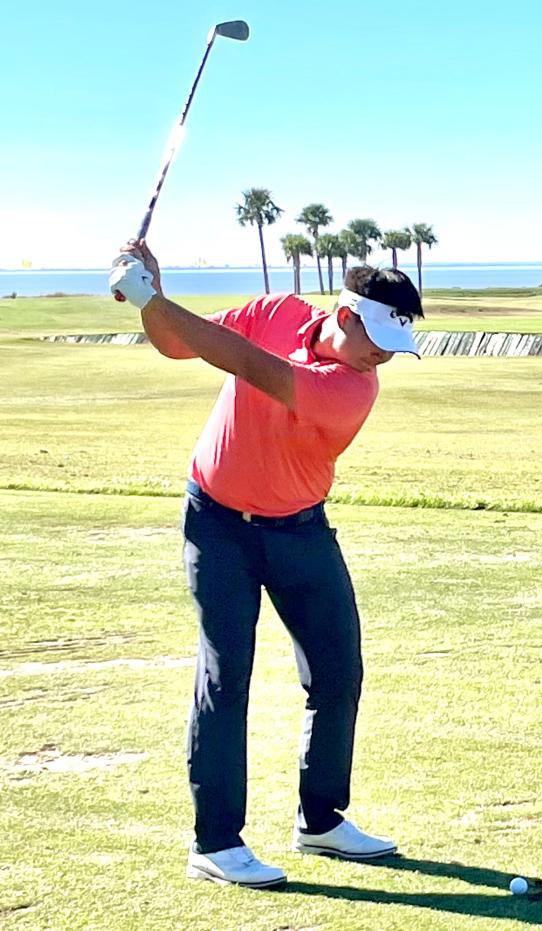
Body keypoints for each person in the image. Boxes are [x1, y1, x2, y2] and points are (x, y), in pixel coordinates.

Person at [109, 241, 422, 889]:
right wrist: (151, 295)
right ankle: (215, 843)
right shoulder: (276, 309)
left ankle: (321, 819)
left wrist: (153, 299)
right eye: (379, 335)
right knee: (227, 674)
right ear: (346, 312)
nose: (384, 354)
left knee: (338, 670)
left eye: (397, 342)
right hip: (217, 522)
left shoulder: (352, 388)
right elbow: (177, 345)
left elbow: (254, 368)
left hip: (298, 529)